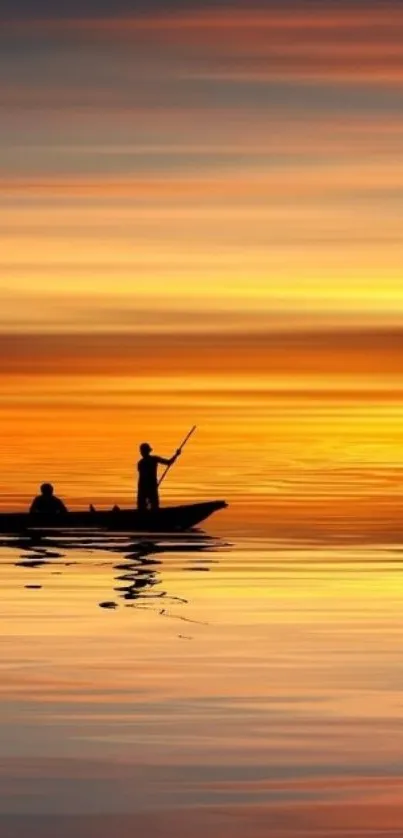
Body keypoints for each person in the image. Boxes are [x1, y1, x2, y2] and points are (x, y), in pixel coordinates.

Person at [137, 443, 181, 511]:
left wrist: (176, 455)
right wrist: (176, 455)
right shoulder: (147, 461)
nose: (142, 453)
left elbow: (168, 462)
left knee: (144, 508)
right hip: (148, 487)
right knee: (149, 507)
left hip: (146, 487)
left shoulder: (141, 462)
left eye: (143, 451)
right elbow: (169, 462)